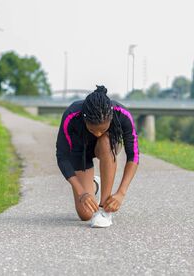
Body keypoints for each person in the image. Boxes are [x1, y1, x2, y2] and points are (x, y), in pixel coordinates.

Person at [56, 85, 139, 228]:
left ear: (111, 117)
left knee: (105, 141)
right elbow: (62, 156)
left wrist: (120, 193)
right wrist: (81, 192)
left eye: (103, 129)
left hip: (107, 147)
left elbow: (134, 155)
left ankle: (105, 209)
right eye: (92, 129)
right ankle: (94, 185)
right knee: (85, 214)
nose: (97, 134)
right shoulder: (71, 114)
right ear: (84, 118)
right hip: (81, 151)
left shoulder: (122, 114)